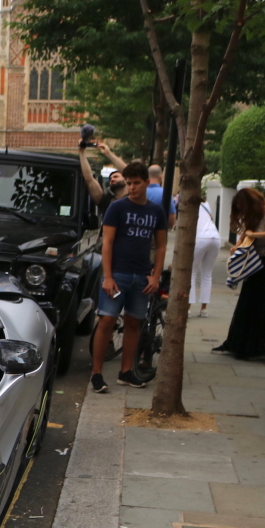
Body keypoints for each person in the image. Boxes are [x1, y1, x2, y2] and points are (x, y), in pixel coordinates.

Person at [90, 161, 167, 394]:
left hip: (142, 275)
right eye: (129, 183)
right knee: (107, 321)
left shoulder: (156, 211)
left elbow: (161, 245)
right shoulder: (117, 208)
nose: (132, 187)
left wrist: (155, 276)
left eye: (136, 183)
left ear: (146, 182)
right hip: (118, 274)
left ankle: (126, 372)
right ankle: (97, 374)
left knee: (134, 323)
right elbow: (108, 243)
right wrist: (108, 276)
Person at [212, 188, 265, 360]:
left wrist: (256, 234)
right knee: (249, 302)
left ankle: (261, 346)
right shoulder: (253, 216)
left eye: (243, 208)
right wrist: (237, 248)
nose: (242, 212)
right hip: (257, 262)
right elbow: (245, 235)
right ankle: (240, 343)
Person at [190, 196, 222, 317]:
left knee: (192, 273)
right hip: (215, 237)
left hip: (201, 238)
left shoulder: (189, 206)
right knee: (207, 273)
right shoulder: (206, 204)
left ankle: (187, 308)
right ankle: (204, 309)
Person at [78, 140, 126, 214]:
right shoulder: (106, 201)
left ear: (126, 180)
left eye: (116, 177)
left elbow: (129, 172)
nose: (112, 179)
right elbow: (89, 178)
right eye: (110, 179)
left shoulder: (135, 197)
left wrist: (108, 153)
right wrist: (81, 152)